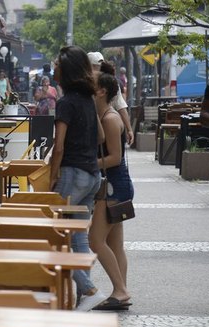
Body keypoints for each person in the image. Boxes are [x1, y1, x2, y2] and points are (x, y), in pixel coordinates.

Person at [49, 45, 105, 310]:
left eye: (57, 64)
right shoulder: (87, 100)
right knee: (78, 238)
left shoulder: (66, 103)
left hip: (73, 174)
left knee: (53, 236)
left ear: (66, 70)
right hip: (92, 175)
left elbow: (58, 146)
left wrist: (52, 177)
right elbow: (101, 137)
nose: (54, 68)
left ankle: (90, 289)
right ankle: (86, 297)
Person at [89, 72, 134, 311]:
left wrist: (87, 164)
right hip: (117, 185)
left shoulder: (109, 118)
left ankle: (120, 290)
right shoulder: (105, 116)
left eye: (92, 83)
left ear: (102, 91)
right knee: (115, 244)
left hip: (114, 186)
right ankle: (121, 292)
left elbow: (115, 158)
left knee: (95, 240)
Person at [88, 52, 134, 146]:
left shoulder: (110, 82)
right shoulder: (87, 82)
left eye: (98, 66)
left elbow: (121, 106)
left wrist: (129, 129)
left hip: (108, 126)